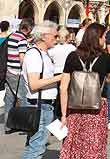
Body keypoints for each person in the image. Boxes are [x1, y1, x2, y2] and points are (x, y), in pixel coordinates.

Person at [59, 23, 110, 159]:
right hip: (97, 107)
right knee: (94, 143)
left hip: (75, 107)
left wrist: (63, 115)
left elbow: (63, 87)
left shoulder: (72, 56)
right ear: (98, 38)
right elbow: (109, 79)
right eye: (104, 37)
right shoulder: (106, 58)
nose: (105, 40)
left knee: (73, 142)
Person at [21, 21, 63, 159]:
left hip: (46, 105)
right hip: (39, 105)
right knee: (37, 147)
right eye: (55, 36)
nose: (57, 39)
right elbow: (34, 84)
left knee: (34, 145)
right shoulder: (34, 55)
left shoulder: (44, 54)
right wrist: (59, 78)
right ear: (44, 36)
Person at [3, 18, 33, 134]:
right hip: (18, 73)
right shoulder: (22, 39)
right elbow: (22, 58)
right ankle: (24, 126)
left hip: (9, 71)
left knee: (9, 99)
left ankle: (7, 126)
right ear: (29, 28)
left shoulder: (12, 36)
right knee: (24, 99)